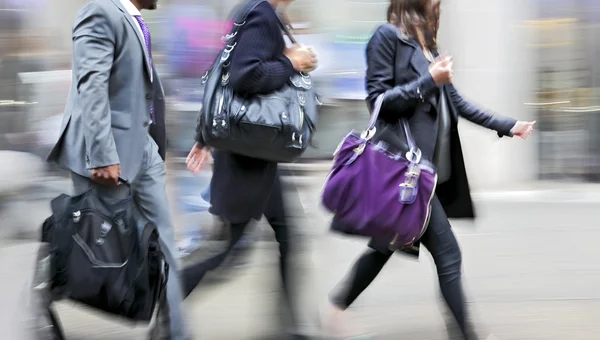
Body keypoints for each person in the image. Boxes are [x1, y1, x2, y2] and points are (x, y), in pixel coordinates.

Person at [323, 1, 536, 339]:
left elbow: (458, 103)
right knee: (448, 253)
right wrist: (427, 80)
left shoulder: (429, 46)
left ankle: (337, 306)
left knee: (385, 245)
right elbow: (378, 100)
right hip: (401, 169)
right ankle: (466, 333)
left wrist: (509, 125)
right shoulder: (387, 36)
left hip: (423, 171)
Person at [46, 0, 191, 339]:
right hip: (106, 153)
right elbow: (91, 85)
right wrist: (101, 154)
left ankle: (175, 331)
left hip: (142, 148)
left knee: (164, 244)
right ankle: (38, 299)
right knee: (89, 244)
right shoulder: (100, 11)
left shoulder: (135, 20)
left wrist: (155, 146)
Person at [183, 0, 318, 338]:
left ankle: (287, 330)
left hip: (256, 152)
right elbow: (245, 76)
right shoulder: (261, 14)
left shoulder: (255, 11)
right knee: (226, 251)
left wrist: (204, 136)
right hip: (248, 157)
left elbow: (223, 73)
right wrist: (291, 62)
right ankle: (167, 298)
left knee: (288, 233)